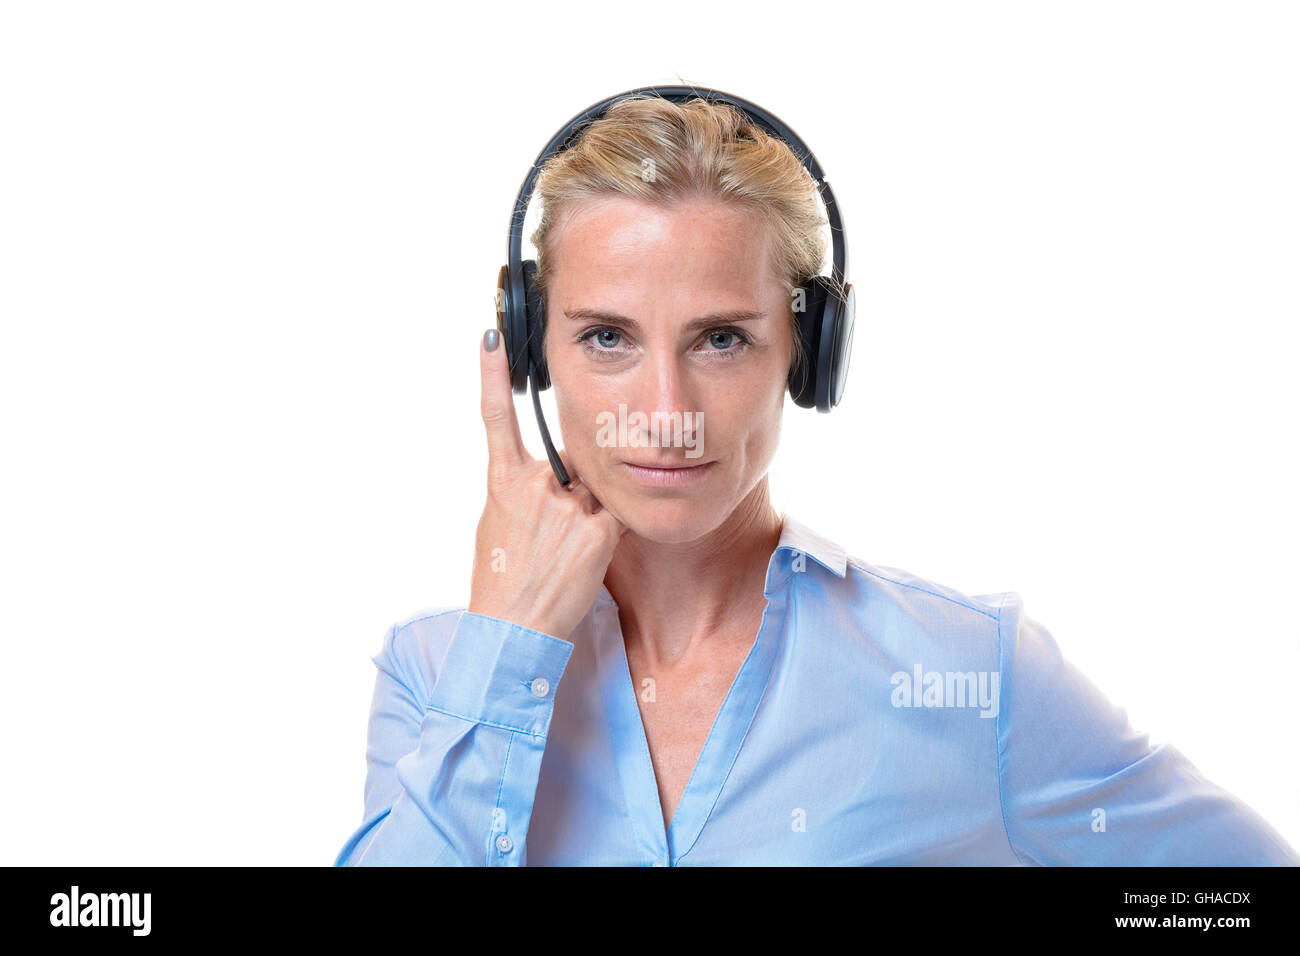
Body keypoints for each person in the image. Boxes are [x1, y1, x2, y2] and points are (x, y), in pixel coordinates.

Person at [334, 93, 1298, 866]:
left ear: (807, 354)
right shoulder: (434, 679)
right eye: (606, 337)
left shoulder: (969, 672)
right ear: (533, 355)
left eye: (721, 339)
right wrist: (508, 654)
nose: (666, 409)